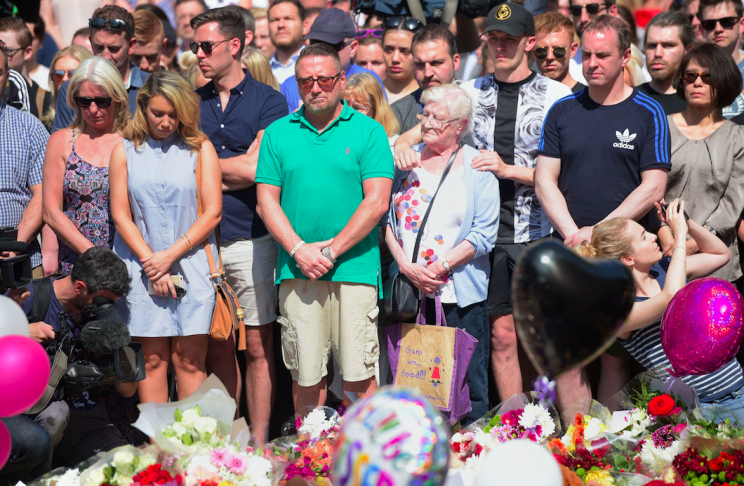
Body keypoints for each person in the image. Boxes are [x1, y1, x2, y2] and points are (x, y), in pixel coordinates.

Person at [396, 3, 572, 405]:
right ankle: (515, 422)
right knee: (501, 335)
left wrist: (510, 170)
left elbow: (568, 175)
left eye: (509, 39)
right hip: (483, 237)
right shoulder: (471, 91)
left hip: (537, 231)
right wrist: (403, 147)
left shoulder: (558, 96)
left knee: (544, 336)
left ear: (530, 43)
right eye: (494, 38)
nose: (501, 46)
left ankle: (554, 421)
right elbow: (421, 129)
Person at [535, 15, 670, 418]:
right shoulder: (562, 110)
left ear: (626, 56)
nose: (592, 63)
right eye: (587, 54)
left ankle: (611, 445)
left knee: (615, 355)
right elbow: (545, 179)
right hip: (572, 251)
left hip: (623, 256)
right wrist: (575, 233)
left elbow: (654, 186)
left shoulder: (649, 112)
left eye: (603, 55)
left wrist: (601, 232)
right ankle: (576, 445)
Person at [255, 43, 393, 415]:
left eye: (325, 79)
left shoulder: (369, 132)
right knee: (306, 375)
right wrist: (300, 250)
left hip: (355, 269)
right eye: (305, 81)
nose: (315, 87)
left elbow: (377, 202)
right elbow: (265, 201)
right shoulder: (277, 134)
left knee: (359, 376)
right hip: (297, 269)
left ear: (341, 80)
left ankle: (363, 462)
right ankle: (311, 461)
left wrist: (331, 252)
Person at [192, 6, 287, 444]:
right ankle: (227, 438)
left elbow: (257, 171)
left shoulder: (270, 100)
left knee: (257, 345)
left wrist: (209, 171)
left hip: (253, 238)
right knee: (216, 345)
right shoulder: (191, 103)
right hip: (203, 243)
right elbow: (191, 170)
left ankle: (261, 441)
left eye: (206, 46)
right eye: (195, 46)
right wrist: (231, 169)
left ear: (235, 45)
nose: (198, 55)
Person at [383, 83, 499, 425]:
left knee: (467, 382)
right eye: (425, 115)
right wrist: (406, 267)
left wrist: (439, 267)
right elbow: (386, 221)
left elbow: (483, 235)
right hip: (408, 291)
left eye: (438, 118)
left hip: (457, 294)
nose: (428, 123)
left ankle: (471, 456)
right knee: (411, 379)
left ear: (460, 125)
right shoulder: (405, 160)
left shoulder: (476, 166)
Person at [110, 71, 221, 404]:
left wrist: (168, 257)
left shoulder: (200, 148)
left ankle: (192, 446)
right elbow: (120, 214)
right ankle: (159, 448)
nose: (166, 122)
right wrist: (152, 263)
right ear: (142, 106)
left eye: (174, 114)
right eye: (158, 113)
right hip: (141, 268)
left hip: (189, 269)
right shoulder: (125, 150)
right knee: (153, 359)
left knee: (188, 359)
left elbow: (213, 212)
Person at [576, 200, 744, 419]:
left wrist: (688, 223)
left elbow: (720, 254)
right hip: (700, 410)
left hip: (738, 391)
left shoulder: (666, 269)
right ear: (628, 258)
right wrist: (679, 237)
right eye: (644, 236)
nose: (654, 236)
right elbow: (671, 297)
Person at [2, 247, 135, 484]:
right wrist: (19, 332)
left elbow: (127, 390)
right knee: (55, 415)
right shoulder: (29, 298)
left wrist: (122, 351)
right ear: (80, 288)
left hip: (83, 411)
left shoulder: (101, 312)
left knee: (126, 469)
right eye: (104, 300)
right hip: (34, 411)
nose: (107, 307)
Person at [657, 44, 744, 285]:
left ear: (724, 81)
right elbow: (648, 189)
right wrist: (668, 240)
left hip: (717, 264)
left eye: (708, 77)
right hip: (661, 255)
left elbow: (732, 203)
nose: (697, 83)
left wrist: (695, 241)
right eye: (691, 76)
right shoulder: (659, 128)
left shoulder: (738, 137)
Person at [42, 57, 128, 276]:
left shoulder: (133, 140)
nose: (92, 109)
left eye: (102, 101)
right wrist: (93, 255)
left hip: (127, 258)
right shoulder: (61, 141)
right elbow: (52, 211)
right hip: (77, 263)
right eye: (84, 101)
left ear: (117, 97)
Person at [52, 6, 150, 133]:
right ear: (90, 42)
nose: (105, 56)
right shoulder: (70, 89)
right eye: (98, 47)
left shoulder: (151, 87)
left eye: (114, 48)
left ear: (131, 46)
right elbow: (61, 144)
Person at [0, 44, 48, 282]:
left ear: (7, 76)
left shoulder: (30, 128)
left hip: (21, 259)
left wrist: (14, 244)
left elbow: (43, 196)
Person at [280, 8, 385, 112]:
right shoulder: (291, 85)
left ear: (353, 48)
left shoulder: (369, 80)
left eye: (332, 46)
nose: (322, 52)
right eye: (315, 44)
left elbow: (385, 123)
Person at [391, 24, 460, 134]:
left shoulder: (478, 104)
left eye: (436, 63)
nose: (427, 73)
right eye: (420, 64)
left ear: (455, 62)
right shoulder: (396, 114)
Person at [639, 12, 693, 115]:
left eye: (668, 45)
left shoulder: (702, 102)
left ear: (688, 50)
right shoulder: (629, 101)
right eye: (652, 46)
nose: (658, 53)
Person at [697, 0, 744, 118]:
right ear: (701, 29)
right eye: (709, 24)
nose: (718, 29)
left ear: (742, 25)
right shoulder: (690, 73)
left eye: (727, 21)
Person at [0, 17, 51, 119]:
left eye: (8, 51)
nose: (1, 55)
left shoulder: (46, 98)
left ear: (27, 53)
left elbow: (25, 129)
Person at [40, 45, 93, 129]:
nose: (65, 79)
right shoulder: (43, 106)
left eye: (72, 74)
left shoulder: (95, 113)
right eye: (58, 74)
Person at [342, 72, 400, 146]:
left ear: (375, 108)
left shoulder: (392, 145)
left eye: (357, 107)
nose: (348, 113)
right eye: (344, 106)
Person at [534, 12, 584, 92]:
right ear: (533, 53)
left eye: (558, 50)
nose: (549, 57)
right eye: (542, 51)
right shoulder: (525, 97)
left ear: (573, 50)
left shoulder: (588, 98)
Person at [384, 17, 422, 110]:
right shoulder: (368, 92)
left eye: (405, 51)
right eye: (389, 50)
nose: (395, 58)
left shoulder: (426, 97)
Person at [268, 0, 306, 83]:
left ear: (305, 26)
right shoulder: (261, 70)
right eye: (275, 19)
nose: (281, 25)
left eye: (288, 18)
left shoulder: (318, 65)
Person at [27, 17, 50, 91]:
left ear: (41, 41)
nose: (24, 43)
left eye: (30, 38)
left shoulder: (51, 80)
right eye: (20, 38)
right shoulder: (3, 77)